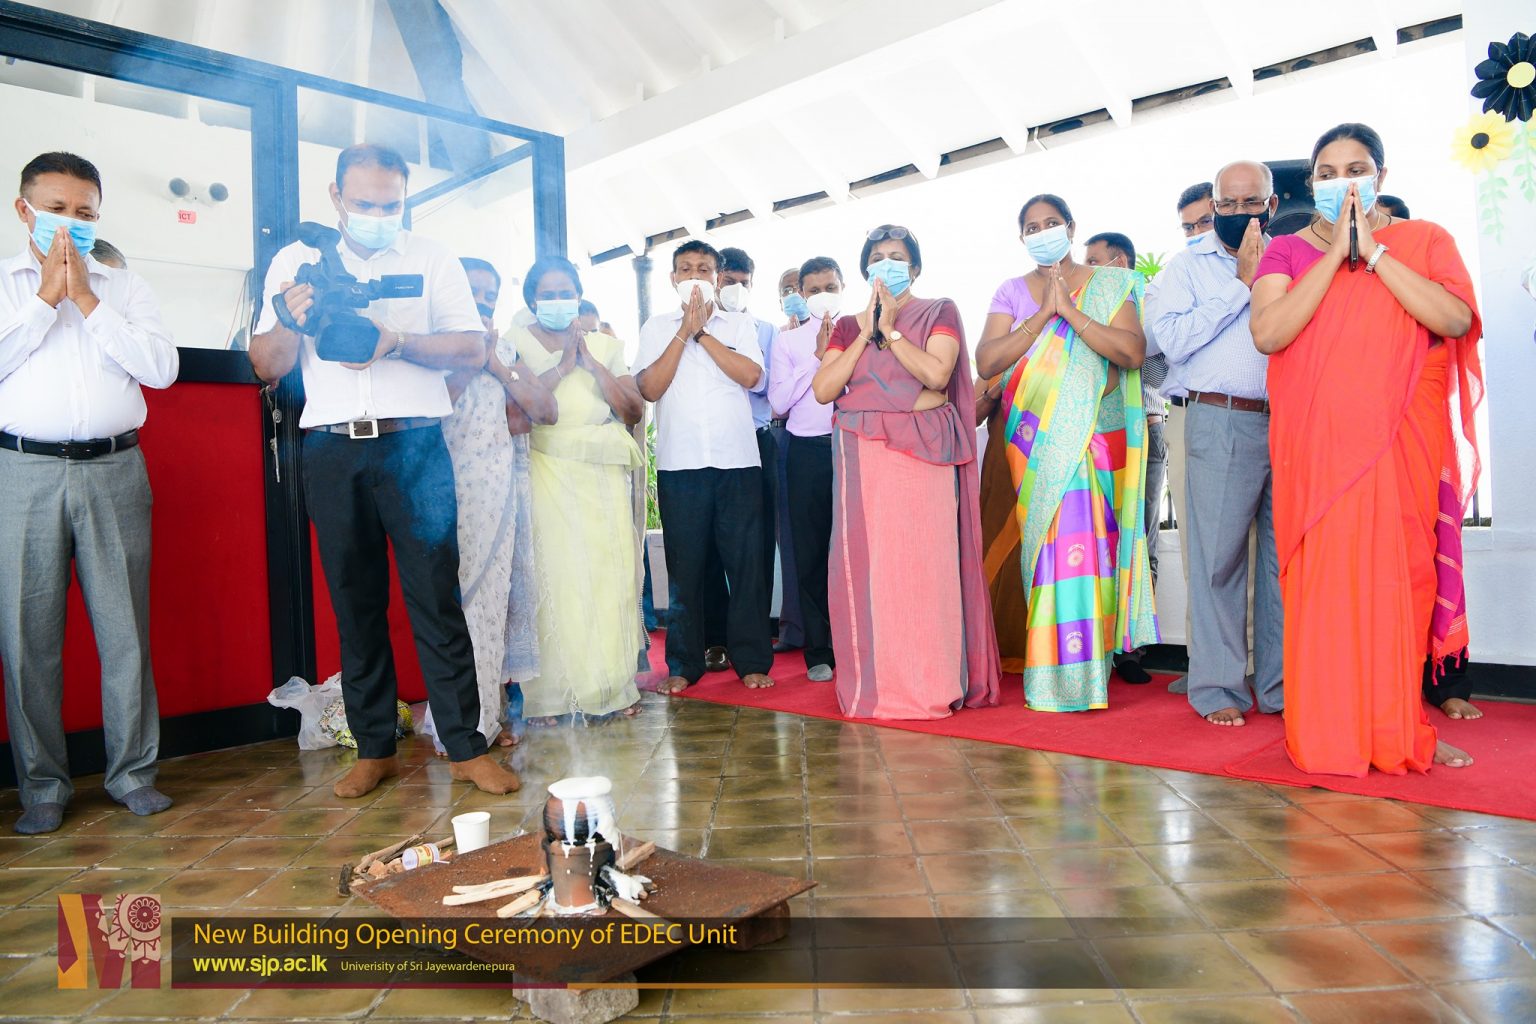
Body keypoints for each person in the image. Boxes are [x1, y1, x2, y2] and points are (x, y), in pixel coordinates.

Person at [249, 143, 519, 797]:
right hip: (331, 449)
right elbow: (266, 364)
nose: (377, 215)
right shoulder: (295, 262)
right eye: (363, 203)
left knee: (436, 600)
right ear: (335, 196)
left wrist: (394, 340)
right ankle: (373, 749)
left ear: (405, 199)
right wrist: (290, 318)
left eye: (389, 204)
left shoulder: (432, 257)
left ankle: (467, 747)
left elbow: (471, 346)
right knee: (355, 603)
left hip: (415, 446)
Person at [1251, 122, 1481, 775]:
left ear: (1382, 176)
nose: (1342, 182)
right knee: (1325, 591)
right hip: (1318, 450)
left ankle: (1396, 725)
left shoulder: (1424, 240)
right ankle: (1327, 730)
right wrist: (1335, 255)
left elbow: (1454, 318)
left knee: (1398, 582)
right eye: (1327, 173)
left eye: (1356, 169)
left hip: (1398, 443)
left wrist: (1375, 254)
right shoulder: (1286, 251)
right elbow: (1269, 333)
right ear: (1312, 183)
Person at [0, 152, 179, 834]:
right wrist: (46, 300)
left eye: (83, 213)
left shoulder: (124, 286)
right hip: (23, 471)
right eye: (55, 209)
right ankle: (42, 786)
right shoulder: (5, 284)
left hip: (115, 469)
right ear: (24, 211)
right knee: (27, 638)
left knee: (124, 630)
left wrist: (86, 300)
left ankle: (133, 774)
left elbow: (161, 370)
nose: (69, 223)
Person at [975, 197, 1156, 713]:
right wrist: (1042, 316)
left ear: (1071, 228)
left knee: (1082, 550)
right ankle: (1051, 672)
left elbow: (1131, 352)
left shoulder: (1109, 285)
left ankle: (1083, 675)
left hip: (1090, 439)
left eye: (1051, 223)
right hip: (1031, 445)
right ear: (1022, 238)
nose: (1043, 233)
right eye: (1031, 227)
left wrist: (1070, 313)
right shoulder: (1011, 291)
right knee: (1045, 553)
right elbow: (986, 360)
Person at [813, 225, 999, 719]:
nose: (887, 264)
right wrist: (867, 332)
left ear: (914, 268)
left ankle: (931, 684)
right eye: (877, 257)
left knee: (923, 571)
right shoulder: (847, 326)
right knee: (871, 574)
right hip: (864, 459)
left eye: (897, 256)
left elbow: (937, 375)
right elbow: (826, 390)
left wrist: (891, 333)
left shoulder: (939, 311)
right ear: (865, 269)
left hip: (923, 459)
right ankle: (878, 686)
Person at [1146, 161, 1284, 727]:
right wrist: (1239, 286)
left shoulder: (1291, 255)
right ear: (1215, 205)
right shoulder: (1187, 267)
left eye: (1251, 203)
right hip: (1218, 418)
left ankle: (1279, 687)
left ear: (1272, 206)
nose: (1237, 214)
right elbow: (1171, 342)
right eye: (1227, 205)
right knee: (1217, 563)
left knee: (1284, 565)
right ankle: (1219, 688)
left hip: (1290, 421)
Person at [509, 257, 647, 721]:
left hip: (600, 473)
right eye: (547, 295)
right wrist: (566, 366)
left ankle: (611, 688)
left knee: (610, 576)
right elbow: (522, 409)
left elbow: (632, 411)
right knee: (555, 575)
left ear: (579, 295)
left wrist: (591, 363)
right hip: (545, 466)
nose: (557, 302)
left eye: (565, 293)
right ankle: (549, 697)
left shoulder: (605, 345)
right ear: (532, 301)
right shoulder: (515, 343)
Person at [635, 240, 774, 695]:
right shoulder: (656, 327)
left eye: (704, 268)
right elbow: (650, 388)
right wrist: (683, 332)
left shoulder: (739, 325)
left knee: (746, 565)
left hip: (738, 462)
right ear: (673, 278)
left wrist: (703, 335)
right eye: (686, 268)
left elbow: (751, 376)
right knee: (686, 569)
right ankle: (683, 664)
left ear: (716, 277)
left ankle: (751, 660)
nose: (694, 275)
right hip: (681, 464)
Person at [436, 257, 553, 750]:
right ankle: (461, 725)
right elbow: (430, 410)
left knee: (493, 604)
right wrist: (470, 361)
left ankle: (488, 716)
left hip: (499, 489)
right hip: (445, 489)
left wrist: (497, 364)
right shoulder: (433, 347)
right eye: (473, 292)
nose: (482, 302)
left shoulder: (503, 349)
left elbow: (541, 411)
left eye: (489, 295)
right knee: (461, 605)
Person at [715, 247, 802, 654]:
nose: (736, 289)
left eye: (743, 283)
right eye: (728, 281)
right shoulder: (696, 329)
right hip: (712, 444)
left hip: (757, 437)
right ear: (715, 281)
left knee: (760, 541)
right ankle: (716, 637)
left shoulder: (767, 331)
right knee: (712, 543)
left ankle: (754, 637)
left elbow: (767, 386)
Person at [1086, 231, 1162, 686]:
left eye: (1094, 262)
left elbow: (1151, 364)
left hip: (1143, 434)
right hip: (1093, 436)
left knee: (1139, 539)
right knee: (1095, 539)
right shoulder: (1083, 310)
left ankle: (1132, 649)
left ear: (1118, 265)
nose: (1087, 270)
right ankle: (1095, 643)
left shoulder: (1146, 303)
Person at [768, 256, 842, 681]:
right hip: (806, 451)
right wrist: (817, 359)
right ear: (802, 293)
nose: (822, 296)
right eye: (813, 290)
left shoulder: (860, 329)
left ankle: (855, 644)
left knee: (853, 550)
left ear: (843, 285)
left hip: (854, 446)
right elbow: (778, 403)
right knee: (810, 553)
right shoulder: (788, 342)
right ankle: (818, 651)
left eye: (830, 287)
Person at [1161, 181, 1216, 695]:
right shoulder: (1177, 274)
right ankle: (1207, 665)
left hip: (1262, 414)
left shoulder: (1272, 261)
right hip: (1189, 414)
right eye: (1188, 227)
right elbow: (1167, 346)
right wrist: (1234, 292)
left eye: (1205, 221)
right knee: (1199, 549)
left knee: (1261, 549)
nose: (1198, 233)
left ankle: (1260, 665)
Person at [778, 266, 809, 330]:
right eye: (787, 290)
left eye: (800, 287)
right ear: (781, 303)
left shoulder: (828, 329)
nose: (795, 293)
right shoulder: (776, 333)